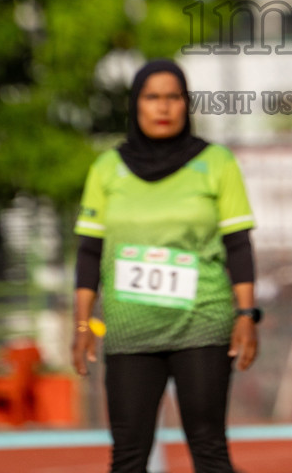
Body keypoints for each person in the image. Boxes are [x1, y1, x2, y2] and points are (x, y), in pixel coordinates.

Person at [72, 59, 260, 473]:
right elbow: (89, 251)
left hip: (203, 323)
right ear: (136, 105)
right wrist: (82, 324)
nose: (163, 107)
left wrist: (247, 314)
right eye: (152, 97)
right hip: (129, 327)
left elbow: (238, 245)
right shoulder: (107, 168)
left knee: (209, 448)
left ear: (186, 104)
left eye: (173, 97)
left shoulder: (216, 163)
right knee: (127, 455)